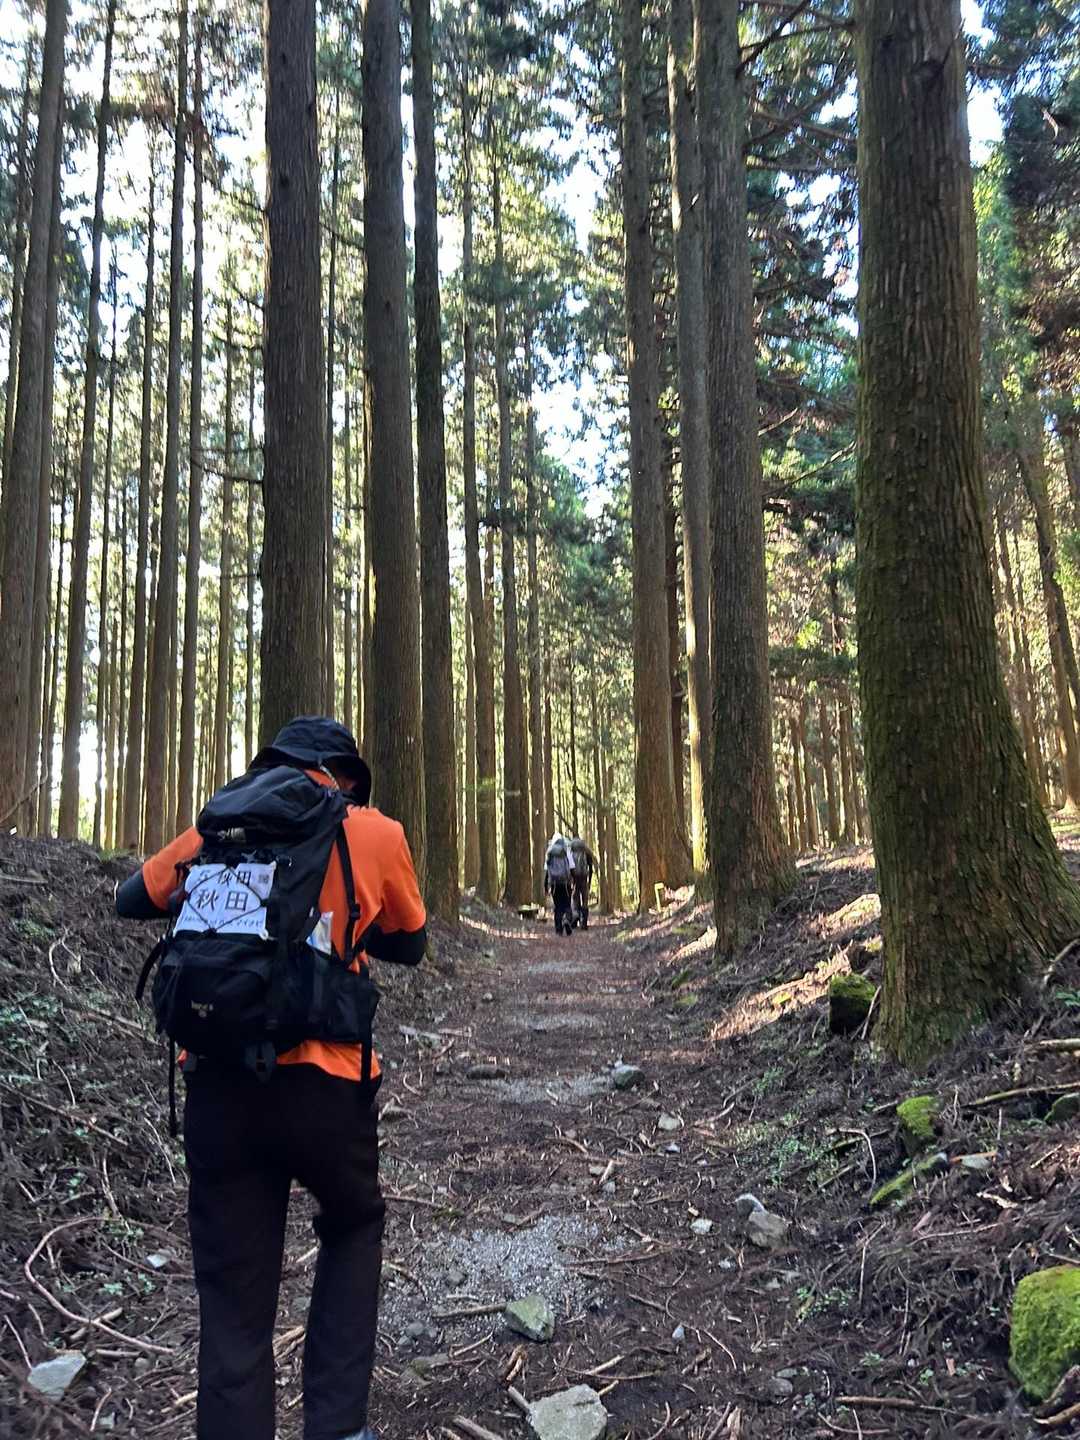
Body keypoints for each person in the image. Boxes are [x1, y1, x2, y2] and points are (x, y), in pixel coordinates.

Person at [117, 716, 426, 1440]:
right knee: (353, 1223)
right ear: (341, 776)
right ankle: (338, 1428)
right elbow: (410, 943)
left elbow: (131, 898)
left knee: (232, 1294)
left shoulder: (217, 831)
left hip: (217, 1085)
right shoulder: (373, 832)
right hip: (326, 1088)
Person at [544, 833, 575, 936]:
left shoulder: (550, 851)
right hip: (565, 883)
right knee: (567, 903)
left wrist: (546, 886)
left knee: (557, 906)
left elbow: (547, 870)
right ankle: (566, 920)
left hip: (554, 883)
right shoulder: (566, 850)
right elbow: (572, 867)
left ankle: (558, 929)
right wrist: (573, 881)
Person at [568, 837, 596, 929]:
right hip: (584, 878)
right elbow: (590, 868)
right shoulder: (586, 853)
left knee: (575, 899)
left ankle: (575, 917)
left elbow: (569, 868)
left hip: (575, 879)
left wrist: (570, 880)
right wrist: (589, 881)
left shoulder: (571, 853)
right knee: (585, 900)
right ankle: (584, 922)